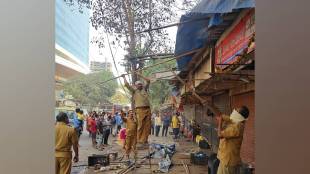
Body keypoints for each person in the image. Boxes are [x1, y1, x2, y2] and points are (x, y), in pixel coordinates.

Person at [216, 106, 250, 174]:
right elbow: (228, 118)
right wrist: (220, 115)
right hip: (227, 159)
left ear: (239, 116)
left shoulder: (237, 127)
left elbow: (219, 135)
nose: (234, 111)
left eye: (237, 111)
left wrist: (219, 122)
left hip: (228, 161)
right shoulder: (236, 122)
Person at [122, 72, 151, 148]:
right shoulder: (134, 91)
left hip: (147, 109)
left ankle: (144, 140)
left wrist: (140, 74)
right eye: (138, 84)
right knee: (140, 125)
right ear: (135, 86)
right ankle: (139, 140)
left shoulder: (145, 89)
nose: (140, 85)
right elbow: (127, 85)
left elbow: (148, 80)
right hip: (139, 110)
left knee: (147, 126)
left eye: (141, 84)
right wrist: (124, 77)